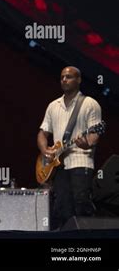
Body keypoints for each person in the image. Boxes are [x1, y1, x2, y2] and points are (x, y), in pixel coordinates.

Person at [37, 66, 102, 229]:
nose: (64, 80)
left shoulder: (90, 103)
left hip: (80, 161)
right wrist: (45, 150)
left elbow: (95, 134)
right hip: (59, 166)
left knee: (81, 204)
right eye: (62, 77)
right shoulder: (53, 105)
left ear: (79, 80)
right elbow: (42, 133)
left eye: (69, 77)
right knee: (61, 208)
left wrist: (86, 142)